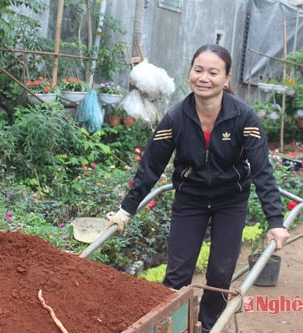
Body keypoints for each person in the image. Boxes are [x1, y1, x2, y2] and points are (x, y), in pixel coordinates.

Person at [106, 44, 290, 331]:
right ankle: (173, 325)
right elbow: (151, 166)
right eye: (198, 70)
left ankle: (208, 325)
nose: (204, 78)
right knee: (177, 274)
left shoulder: (243, 117)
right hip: (189, 199)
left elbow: (262, 171)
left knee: (219, 274)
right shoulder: (177, 117)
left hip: (230, 201)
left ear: (227, 79)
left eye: (213, 72)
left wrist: (276, 222)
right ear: (190, 73)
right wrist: (125, 210)